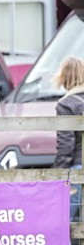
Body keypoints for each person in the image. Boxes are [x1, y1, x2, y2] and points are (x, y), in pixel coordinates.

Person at [53, 56, 84, 225]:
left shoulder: (66, 104)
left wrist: (58, 173)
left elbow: (66, 145)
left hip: (77, 167)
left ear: (64, 77)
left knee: (64, 223)